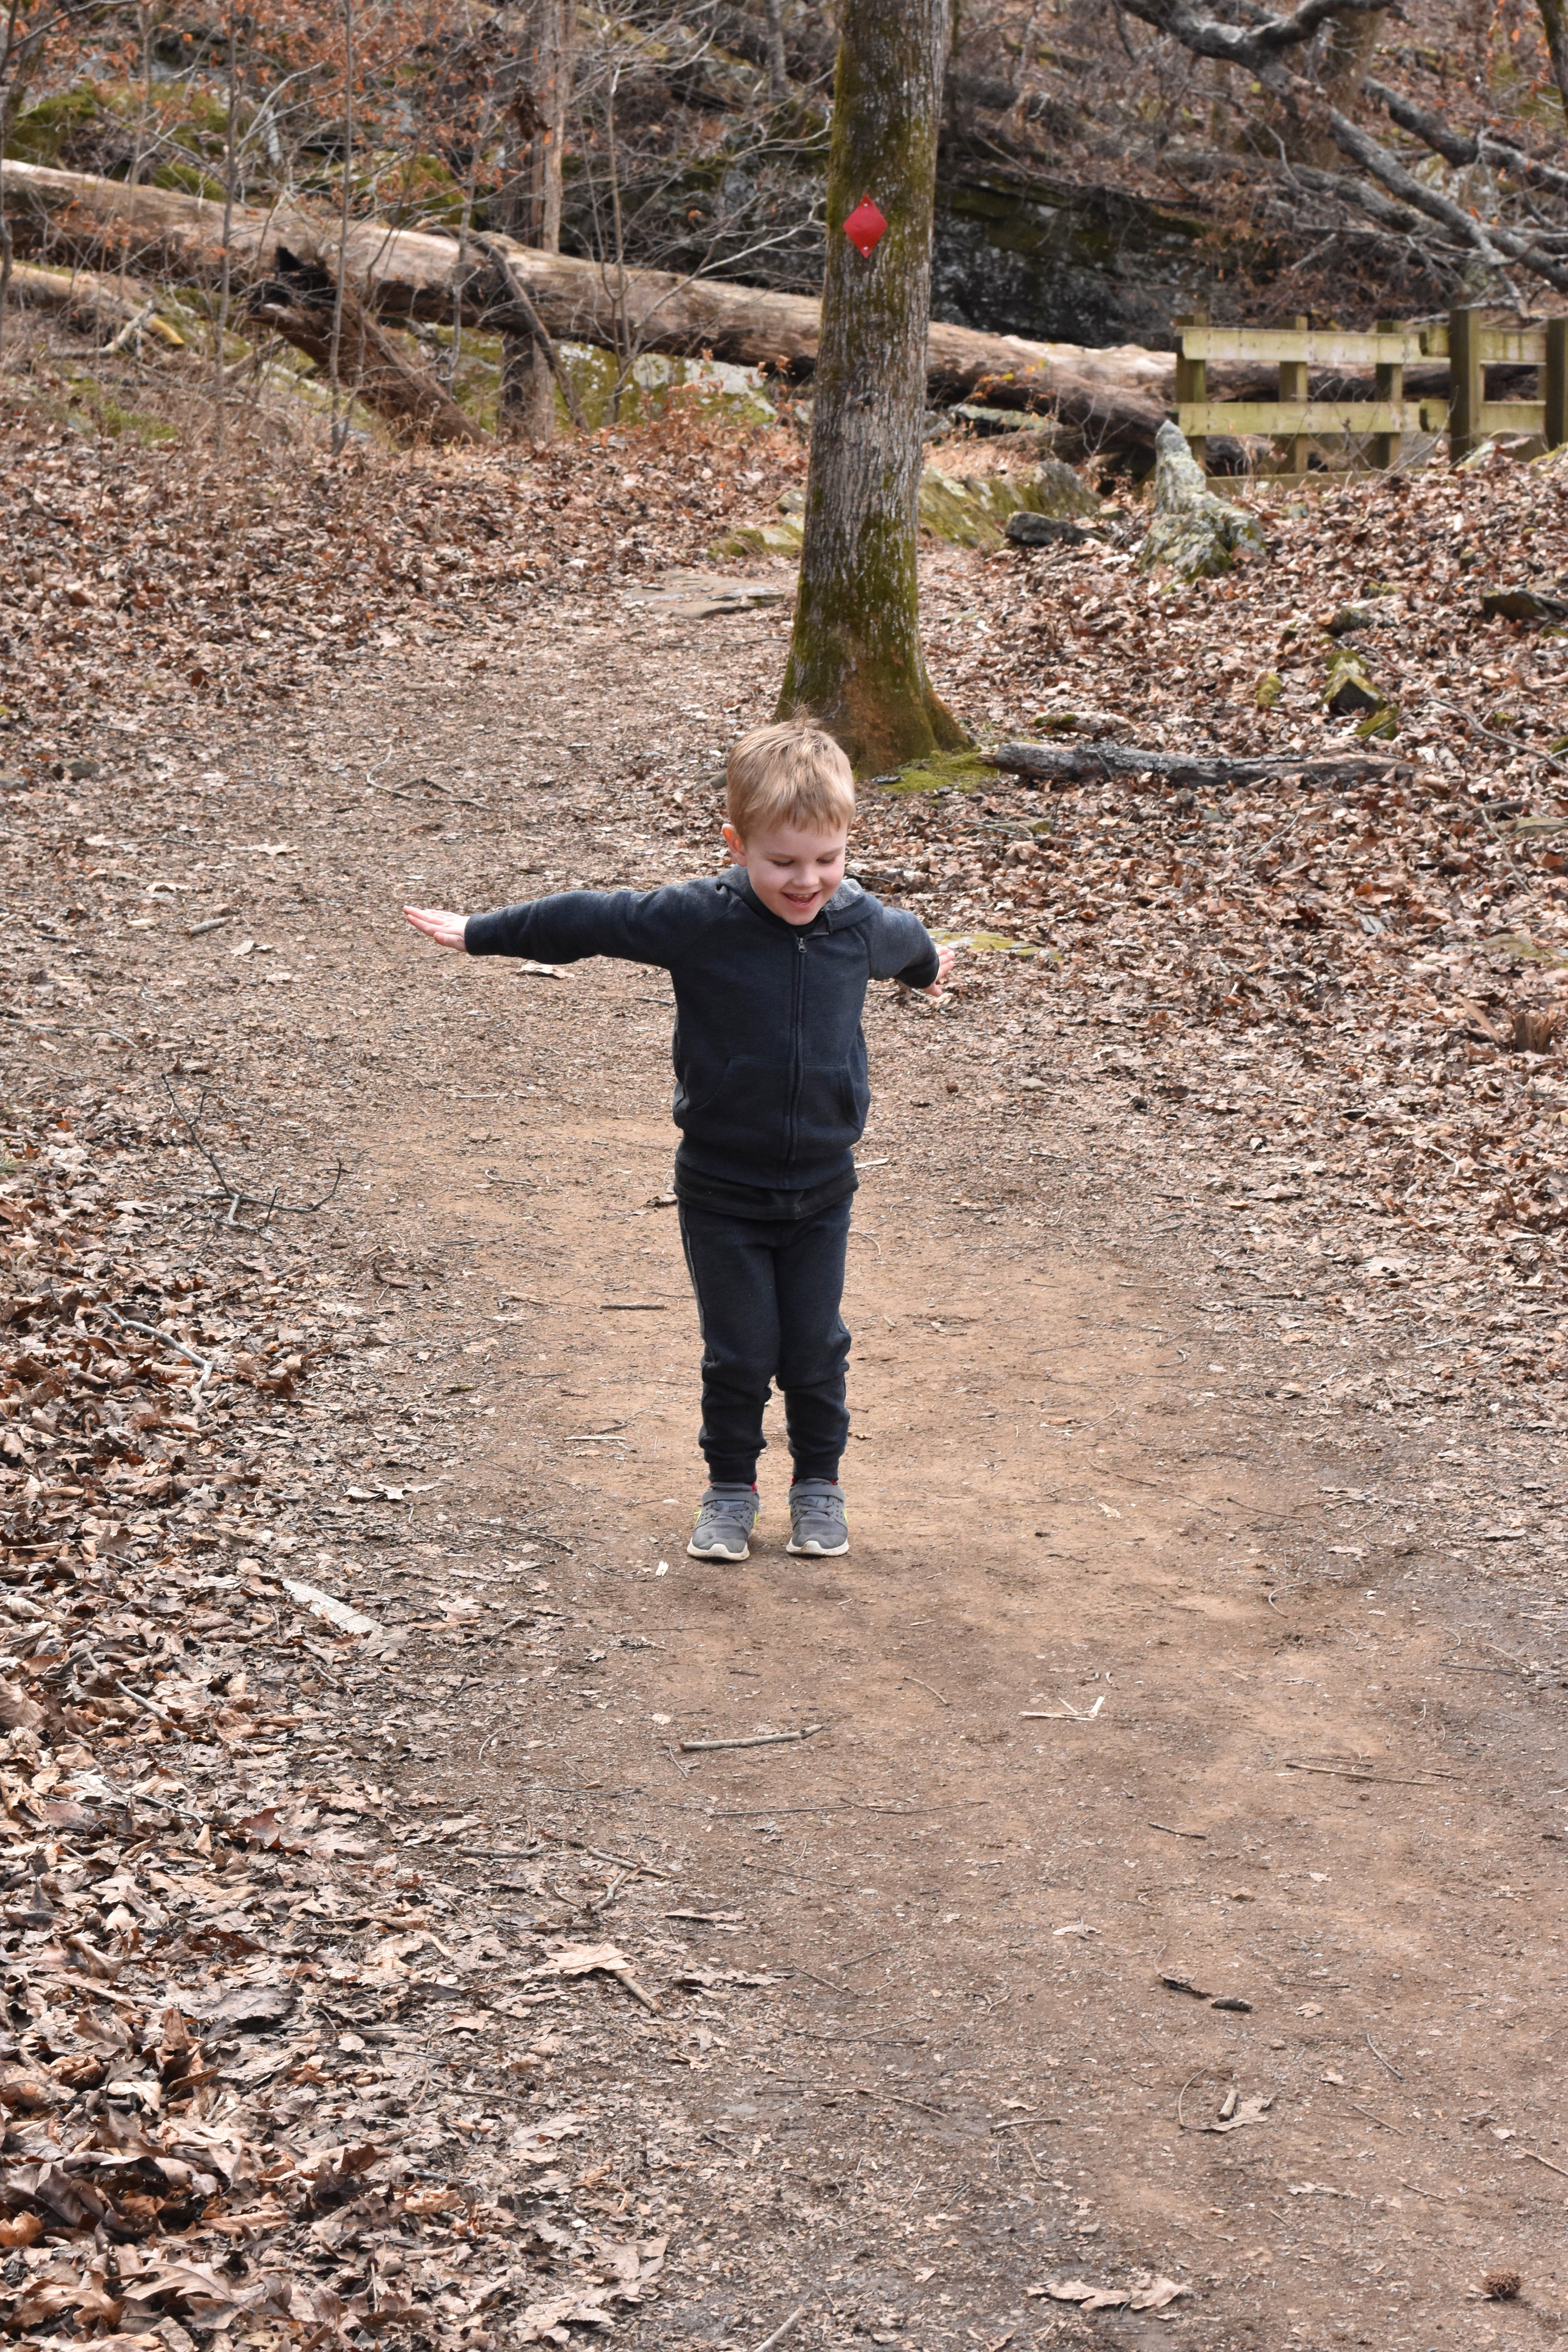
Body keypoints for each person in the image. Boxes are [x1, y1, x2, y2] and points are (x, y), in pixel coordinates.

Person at [404, 715, 953, 1564]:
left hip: (821, 1188)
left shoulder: (857, 923)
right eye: (782, 862)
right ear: (735, 845)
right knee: (739, 1351)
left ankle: (819, 1488)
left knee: (815, 1347)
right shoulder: (699, 918)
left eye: (825, 859)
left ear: (846, 842)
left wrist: (926, 970)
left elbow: (910, 944)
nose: (807, 881)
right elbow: (589, 920)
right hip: (722, 1189)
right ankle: (730, 1491)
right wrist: (482, 931)